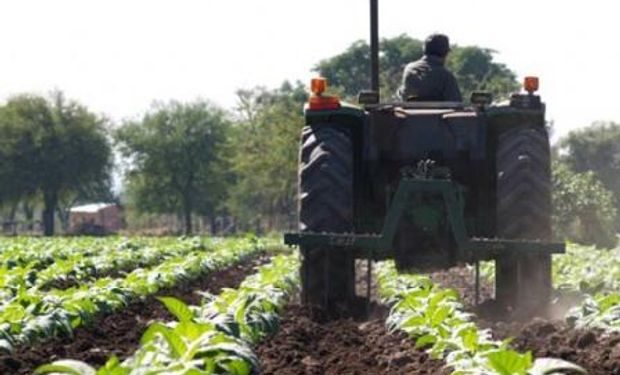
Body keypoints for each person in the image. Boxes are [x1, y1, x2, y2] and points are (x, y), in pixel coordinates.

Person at [398, 33, 462, 102]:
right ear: (445, 53)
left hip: (409, 112)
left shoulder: (409, 68)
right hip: (437, 112)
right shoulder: (446, 76)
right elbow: (456, 103)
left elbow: (403, 94)